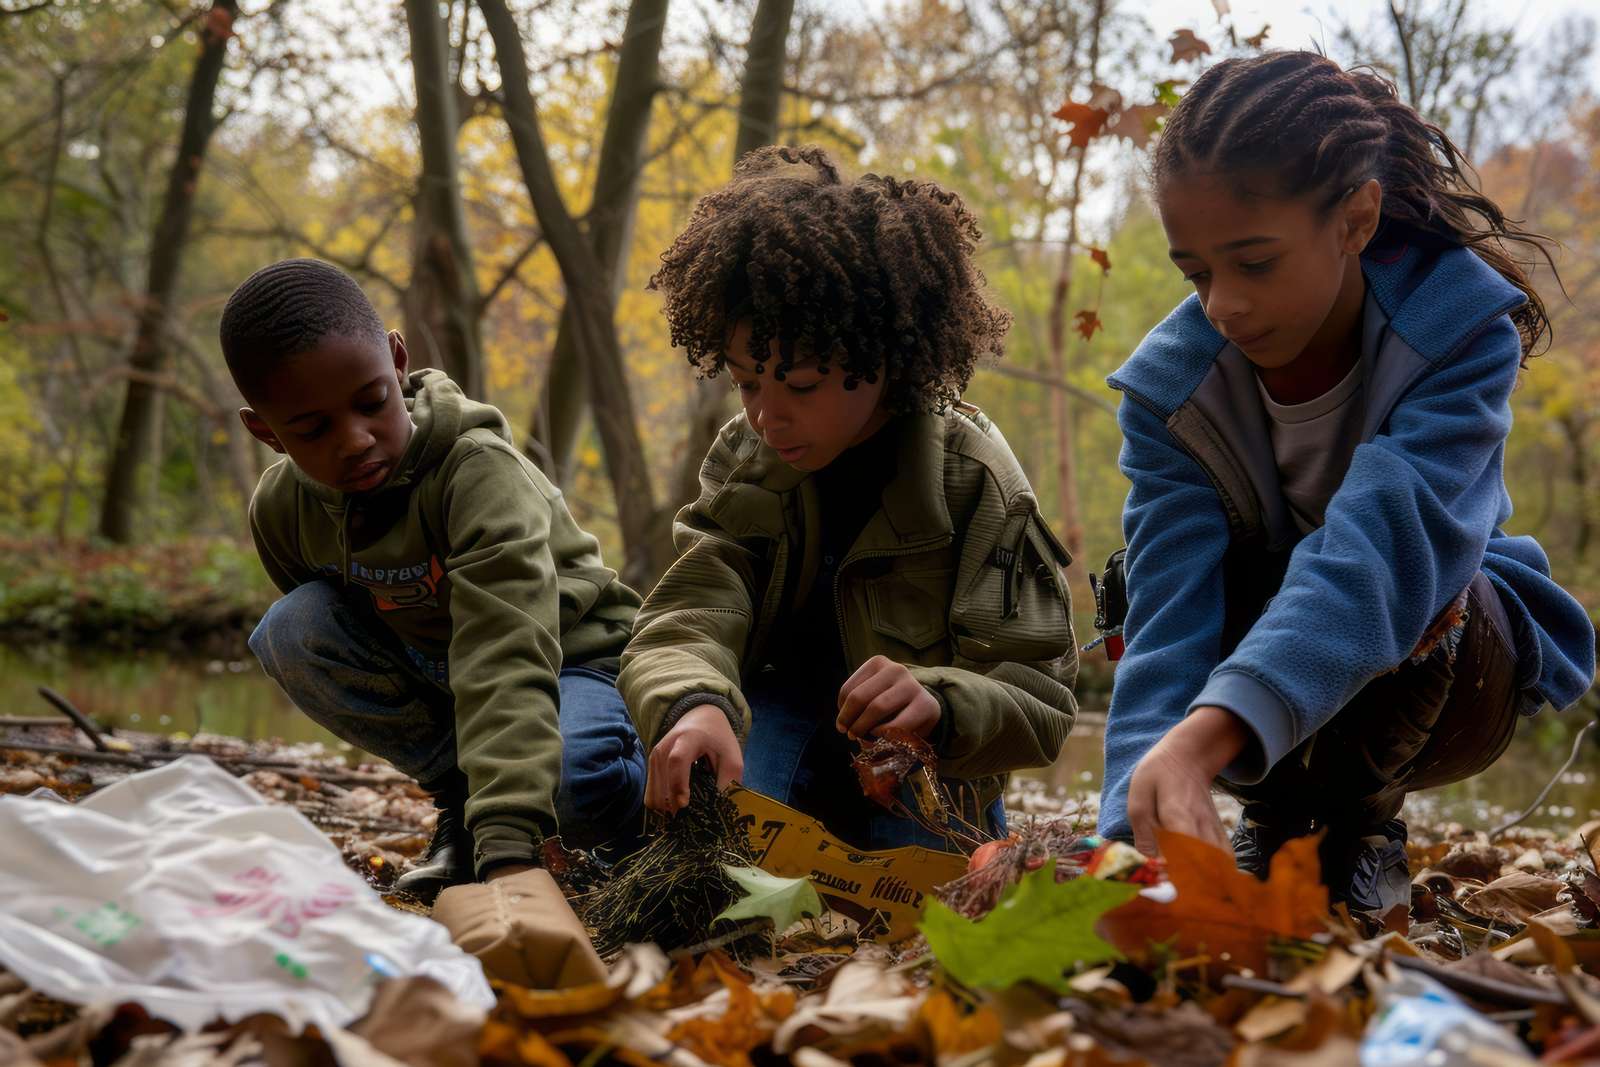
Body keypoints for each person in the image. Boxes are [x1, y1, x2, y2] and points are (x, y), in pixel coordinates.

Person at [1098, 52, 1596, 915]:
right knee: (1158, 581)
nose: (1222, 305)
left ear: (1357, 217)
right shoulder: (1171, 394)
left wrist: (1203, 742)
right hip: (1273, 642)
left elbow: (1383, 551)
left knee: (1416, 587)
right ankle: (1275, 830)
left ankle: (1361, 830)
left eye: (1254, 263)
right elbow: (1169, 619)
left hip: (1460, 658)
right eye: (1197, 273)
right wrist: (1119, 844)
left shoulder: (1459, 332)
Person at [619, 145, 1079, 851]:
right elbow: (692, 610)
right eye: (747, 383)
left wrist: (940, 702)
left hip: (920, 762)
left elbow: (1042, 701)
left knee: (917, 897)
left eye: (799, 386)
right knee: (723, 847)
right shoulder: (746, 460)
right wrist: (694, 702)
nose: (768, 417)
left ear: (885, 360)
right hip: (773, 721)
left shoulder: (977, 482)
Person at [222, 258, 644, 900]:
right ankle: (463, 811)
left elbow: (507, 654)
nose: (356, 440)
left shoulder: (477, 473)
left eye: (371, 403)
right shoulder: (283, 510)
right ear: (266, 432)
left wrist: (508, 857)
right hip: (444, 670)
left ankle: (640, 817)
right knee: (292, 628)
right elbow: (342, 630)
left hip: (571, 662)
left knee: (568, 785)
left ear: (397, 361)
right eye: (313, 430)